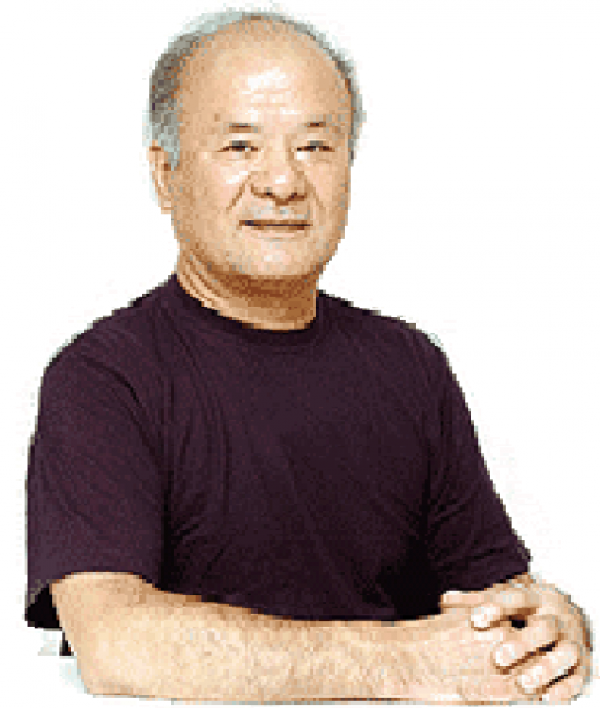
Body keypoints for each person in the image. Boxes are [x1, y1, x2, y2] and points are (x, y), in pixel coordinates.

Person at [25, 8, 592, 703]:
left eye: (316, 146)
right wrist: (403, 662)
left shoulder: (408, 366)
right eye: (240, 146)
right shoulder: (103, 379)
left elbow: (494, 605)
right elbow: (115, 645)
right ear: (165, 175)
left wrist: (552, 630)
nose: (283, 182)